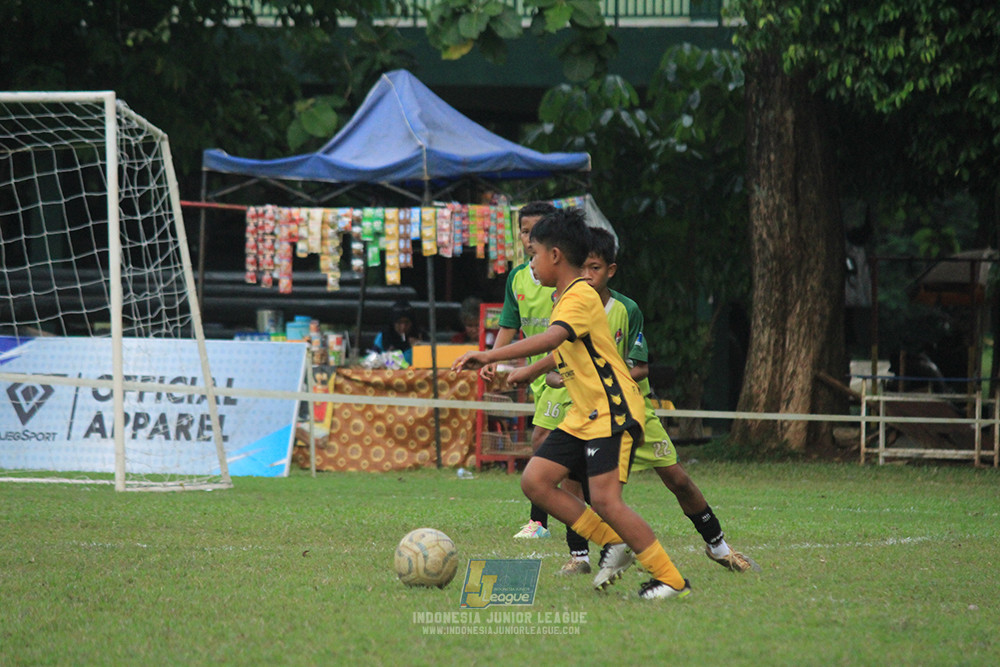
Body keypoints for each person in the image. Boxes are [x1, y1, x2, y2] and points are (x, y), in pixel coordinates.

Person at [454, 208, 691, 600]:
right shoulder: (566, 295)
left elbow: (553, 338)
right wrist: (530, 372)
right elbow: (567, 345)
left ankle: (672, 579)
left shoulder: (579, 294)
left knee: (606, 500)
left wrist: (489, 355)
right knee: (535, 481)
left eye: (534, 255)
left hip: (612, 409)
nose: (531, 264)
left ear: (555, 256)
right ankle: (614, 543)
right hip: (586, 412)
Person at [522, 227, 760, 576]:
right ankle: (580, 556)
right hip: (590, 408)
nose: (587, 275)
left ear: (610, 270)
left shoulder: (625, 309)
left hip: (630, 409)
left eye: (595, 268)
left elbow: (637, 367)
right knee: (571, 476)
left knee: (677, 479)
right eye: (583, 267)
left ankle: (717, 546)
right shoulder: (567, 301)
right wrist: (543, 372)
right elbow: (562, 350)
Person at [482, 201, 563, 539]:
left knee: (541, 439)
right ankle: (585, 520)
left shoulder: (563, 276)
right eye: (525, 232)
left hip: (565, 373)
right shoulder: (517, 277)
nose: (531, 239)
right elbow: (510, 325)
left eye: (536, 231)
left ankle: (539, 522)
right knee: (568, 454)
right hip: (539, 379)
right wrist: (492, 359)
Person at [373, 299, 422, 365]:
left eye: (406, 322)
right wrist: (385, 356)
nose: (403, 327)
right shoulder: (383, 337)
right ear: (393, 323)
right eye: (399, 323)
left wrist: (418, 349)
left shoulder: (420, 336)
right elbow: (371, 358)